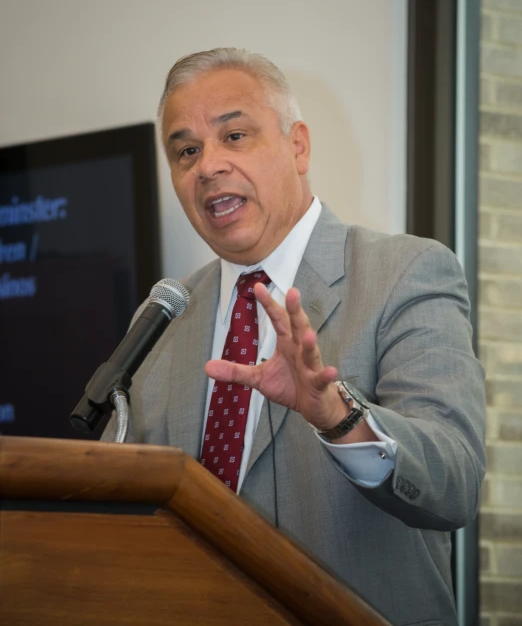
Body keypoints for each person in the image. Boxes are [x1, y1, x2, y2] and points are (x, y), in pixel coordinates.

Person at [104, 48, 485, 625]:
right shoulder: (159, 321)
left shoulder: (406, 271)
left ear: (298, 145)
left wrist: (338, 416)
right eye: (186, 150)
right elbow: (113, 502)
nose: (207, 165)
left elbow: (453, 482)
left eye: (234, 136)